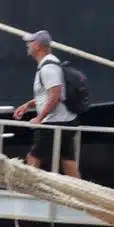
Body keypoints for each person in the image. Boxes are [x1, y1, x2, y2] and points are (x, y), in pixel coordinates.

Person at [13, 30, 80, 178]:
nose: (27, 46)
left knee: (33, 157)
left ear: (37, 46)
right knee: (68, 160)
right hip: (65, 121)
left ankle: (28, 191)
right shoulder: (49, 64)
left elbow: (55, 94)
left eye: (30, 43)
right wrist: (28, 105)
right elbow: (49, 95)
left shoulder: (48, 67)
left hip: (53, 122)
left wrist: (39, 118)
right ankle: (84, 193)